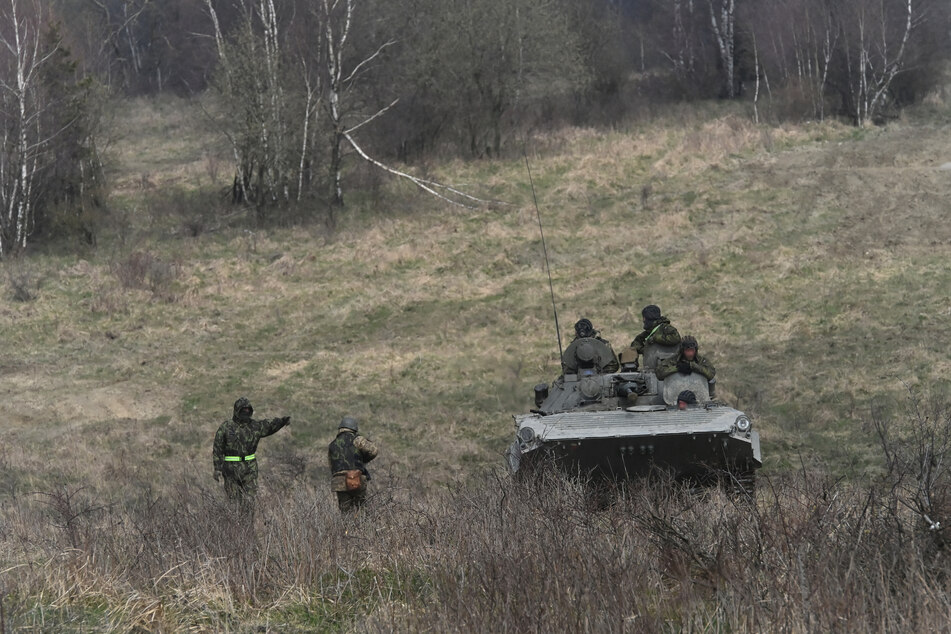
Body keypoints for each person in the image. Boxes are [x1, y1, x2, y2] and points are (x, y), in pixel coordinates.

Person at [212, 397, 291, 514]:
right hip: (230, 471)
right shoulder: (226, 427)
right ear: (237, 410)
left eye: (248, 410)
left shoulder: (255, 426)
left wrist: (283, 421)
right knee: (234, 504)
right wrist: (217, 468)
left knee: (249, 502)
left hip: (250, 469)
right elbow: (217, 448)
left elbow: (270, 425)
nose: (246, 412)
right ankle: (236, 530)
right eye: (243, 410)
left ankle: (248, 529)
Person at [328, 417, 378, 512]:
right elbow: (374, 451)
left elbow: (331, 466)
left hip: (339, 482)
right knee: (362, 510)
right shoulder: (357, 440)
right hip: (356, 479)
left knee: (345, 512)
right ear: (354, 428)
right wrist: (364, 460)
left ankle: (346, 527)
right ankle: (362, 526)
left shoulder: (332, 445)